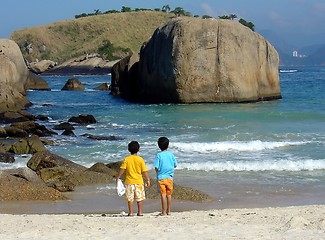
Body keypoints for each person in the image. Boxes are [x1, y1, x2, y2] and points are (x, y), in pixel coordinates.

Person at [116, 141, 150, 216]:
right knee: (139, 198)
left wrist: (118, 177)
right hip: (139, 182)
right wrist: (148, 179)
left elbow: (122, 169)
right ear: (139, 149)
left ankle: (131, 212)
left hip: (129, 182)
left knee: (130, 199)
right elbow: (144, 171)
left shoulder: (127, 159)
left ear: (128, 150)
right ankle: (140, 212)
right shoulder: (140, 159)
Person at [154, 137, 177, 216]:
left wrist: (158, 171)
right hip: (170, 177)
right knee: (169, 195)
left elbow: (156, 167)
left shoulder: (159, 155)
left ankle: (163, 211)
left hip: (161, 178)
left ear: (159, 146)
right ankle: (169, 211)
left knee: (163, 195)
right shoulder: (171, 154)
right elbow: (175, 165)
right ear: (168, 145)